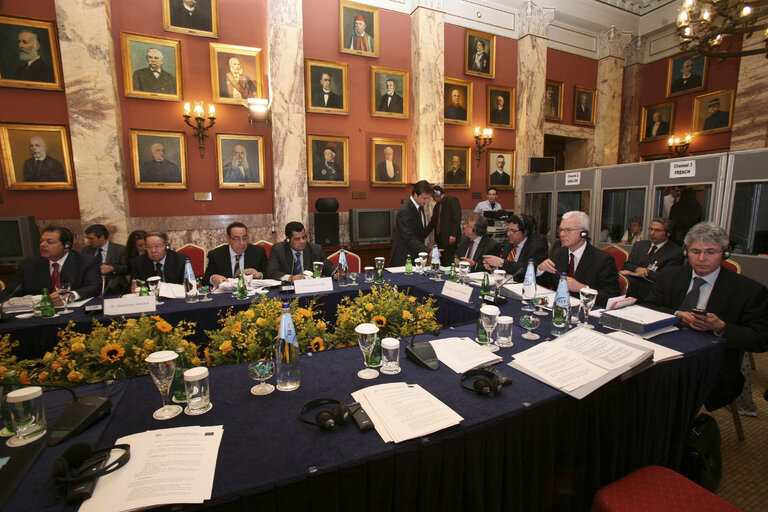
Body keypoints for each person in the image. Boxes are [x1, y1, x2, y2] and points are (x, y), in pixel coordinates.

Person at [646, 222, 768, 411]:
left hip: (711, 364)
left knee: (663, 393)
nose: (702, 258)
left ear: (725, 254)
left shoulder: (749, 290)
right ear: (687, 252)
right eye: (695, 251)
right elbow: (648, 307)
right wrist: (676, 314)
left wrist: (721, 327)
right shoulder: (669, 276)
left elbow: (761, 339)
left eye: (711, 252)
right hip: (661, 349)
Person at [537, 211, 620, 306]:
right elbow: (544, 285)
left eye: (568, 230)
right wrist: (540, 269)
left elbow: (612, 297)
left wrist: (582, 289)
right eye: (561, 230)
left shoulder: (603, 260)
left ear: (583, 233)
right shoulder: (558, 253)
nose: (562, 234)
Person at [0, 226, 100, 305]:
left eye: (50, 242)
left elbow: (93, 287)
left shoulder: (86, 261)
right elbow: (11, 292)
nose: (43, 245)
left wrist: (70, 296)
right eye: (41, 241)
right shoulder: (28, 266)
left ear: (67, 246)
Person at [620, 217, 683, 302]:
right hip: (631, 285)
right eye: (651, 229)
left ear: (668, 233)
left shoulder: (675, 252)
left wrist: (643, 273)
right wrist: (637, 269)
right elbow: (627, 265)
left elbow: (667, 277)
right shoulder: (640, 245)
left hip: (652, 290)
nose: (652, 233)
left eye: (657, 230)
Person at [483, 214, 548, 279]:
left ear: (525, 232)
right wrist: (494, 268)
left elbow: (529, 269)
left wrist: (502, 263)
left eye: (513, 231)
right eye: (508, 230)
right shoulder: (509, 246)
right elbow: (507, 268)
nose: (508, 234)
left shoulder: (536, 246)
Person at [203, 222, 267, 287]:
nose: (242, 243)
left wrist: (259, 275)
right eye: (236, 239)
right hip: (226, 294)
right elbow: (205, 279)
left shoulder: (258, 252)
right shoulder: (216, 255)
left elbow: (268, 274)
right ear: (228, 238)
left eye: (244, 238)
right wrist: (213, 278)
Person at [266, 222, 334, 281]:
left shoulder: (315, 249)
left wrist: (335, 272)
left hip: (311, 288)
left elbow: (327, 267)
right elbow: (272, 272)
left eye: (304, 237)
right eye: (297, 239)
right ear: (288, 239)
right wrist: (289, 278)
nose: (302, 241)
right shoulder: (278, 250)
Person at [390, 180, 433, 266]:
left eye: (428, 198)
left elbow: (421, 233)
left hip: (415, 256)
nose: (426, 201)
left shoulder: (420, 207)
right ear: (415, 195)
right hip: (404, 258)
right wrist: (428, 251)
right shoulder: (405, 210)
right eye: (424, 198)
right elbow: (409, 237)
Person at [82, 224, 128, 295]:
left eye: (91, 239)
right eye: (88, 238)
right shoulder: (86, 251)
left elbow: (127, 268)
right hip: (92, 285)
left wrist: (113, 268)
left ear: (102, 237)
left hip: (114, 285)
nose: (89, 241)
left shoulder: (120, 249)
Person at [425, 186, 461, 265]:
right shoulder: (437, 206)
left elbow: (457, 219)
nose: (433, 199)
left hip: (449, 239)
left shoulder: (452, 200)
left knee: (449, 261)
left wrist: (453, 235)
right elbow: (432, 223)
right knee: (442, 262)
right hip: (440, 240)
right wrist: (423, 234)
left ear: (438, 194)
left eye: (433, 196)